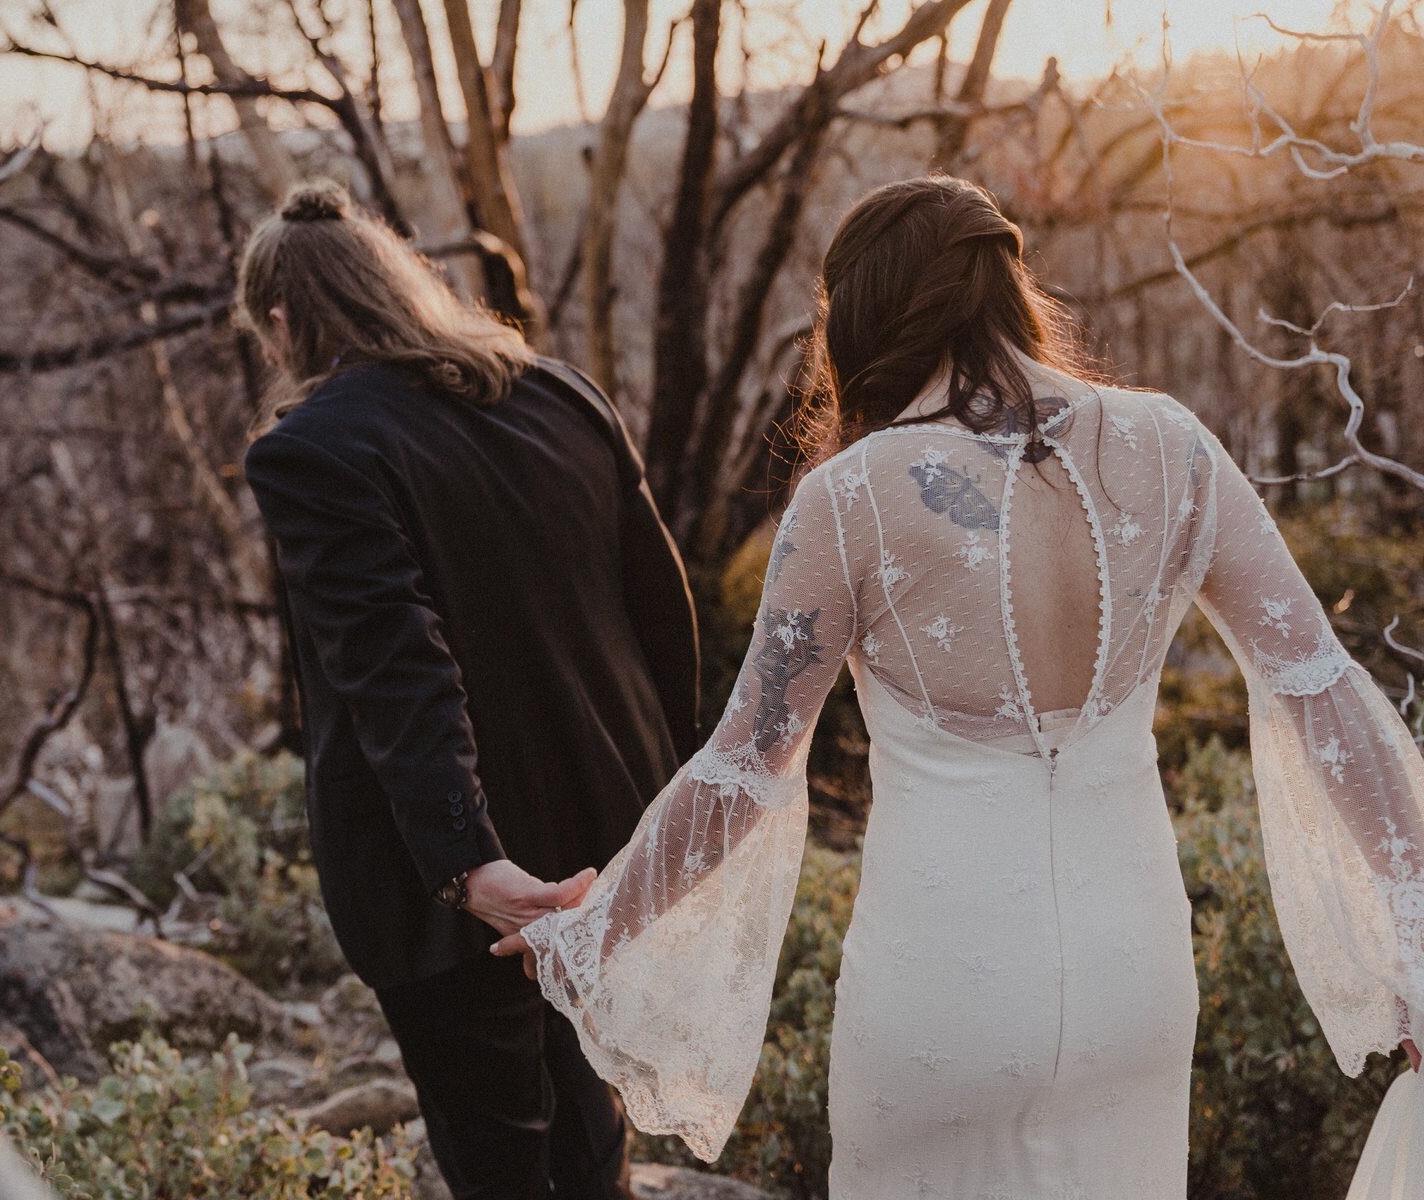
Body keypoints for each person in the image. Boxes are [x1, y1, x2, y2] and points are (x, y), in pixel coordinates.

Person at [496, 175, 1424, 1198]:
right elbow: (1322, 689)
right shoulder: (1174, 447)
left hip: (942, 996)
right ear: (1005, 286)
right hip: (1136, 981)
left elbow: (743, 771)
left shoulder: (848, 500)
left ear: (860, 318)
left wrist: (593, 930)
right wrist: (1418, 940)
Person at [237, 181, 699, 1200]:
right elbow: (664, 616)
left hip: (454, 890)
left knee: (499, 1157)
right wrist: (664, 812)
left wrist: (468, 865)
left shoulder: (311, 451)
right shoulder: (562, 394)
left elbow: (398, 669)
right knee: (590, 1135)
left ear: (281, 322)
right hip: (605, 847)